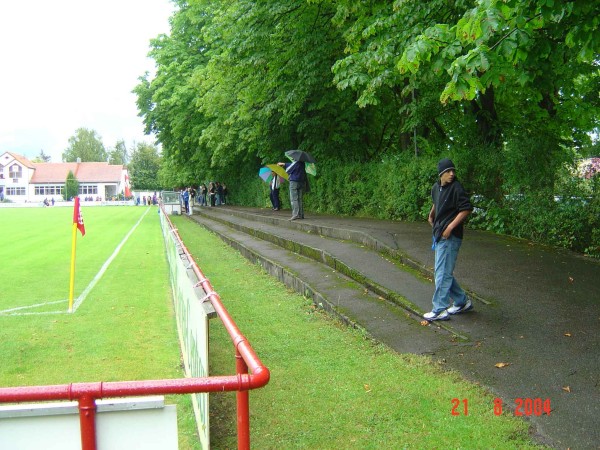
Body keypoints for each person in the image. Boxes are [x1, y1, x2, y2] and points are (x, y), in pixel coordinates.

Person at [423, 158, 474, 321]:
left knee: (442, 273)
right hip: (439, 234)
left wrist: (450, 227)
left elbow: (466, 209)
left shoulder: (457, 188)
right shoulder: (436, 188)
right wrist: (432, 214)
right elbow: (436, 201)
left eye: (453, 171)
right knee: (442, 272)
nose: (452, 174)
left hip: (450, 236)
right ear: (441, 174)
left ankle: (439, 309)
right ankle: (462, 302)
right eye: (448, 171)